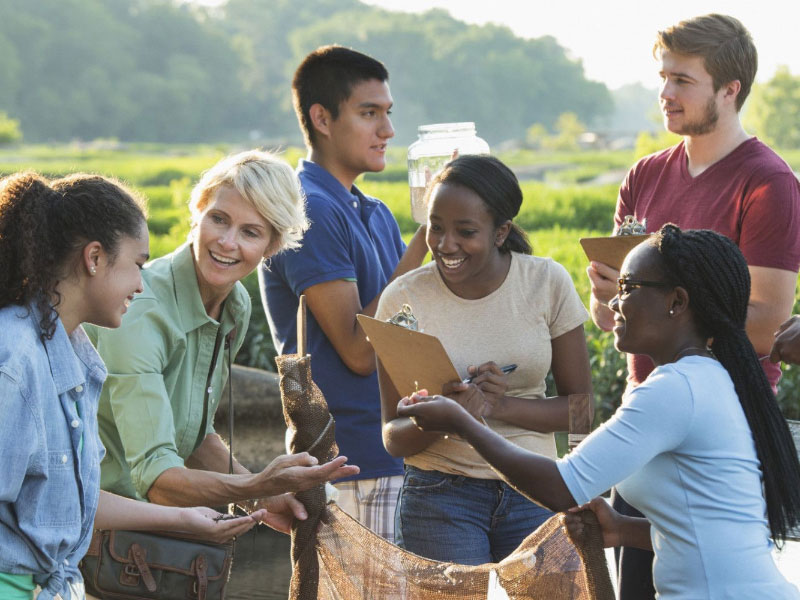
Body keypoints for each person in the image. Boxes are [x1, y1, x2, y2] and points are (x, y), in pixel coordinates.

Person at [400, 225, 800, 598]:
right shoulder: (704, 378)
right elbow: (713, 528)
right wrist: (624, 529)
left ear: (676, 302)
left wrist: (463, 423)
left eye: (627, 287)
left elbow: (561, 486)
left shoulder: (676, 389)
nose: (613, 301)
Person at [586, 14, 800, 597]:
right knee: (636, 583)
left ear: (730, 90)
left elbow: (767, 327)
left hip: (721, 425)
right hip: (643, 416)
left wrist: (659, 314)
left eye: (683, 80)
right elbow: (612, 320)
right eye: (662, 77)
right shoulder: (644, 176)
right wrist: (610, 299)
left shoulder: (768, 182)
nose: (665, 93)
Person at [0, 172, 265, 600]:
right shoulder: (13, 358)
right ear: (94, 259)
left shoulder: (78, 356)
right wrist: (256, 488)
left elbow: (77, 504)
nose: (142, 284)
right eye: (138, 265)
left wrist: (184, 519)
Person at [87, 150, 359, 531]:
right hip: (88, 528)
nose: (228, 243)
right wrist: (258, 484)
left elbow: (193, 437)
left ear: (273, 245)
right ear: (197, 213)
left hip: (147, 533)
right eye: (219, 219)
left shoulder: (236, 305)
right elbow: (158, 479)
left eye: (250, 232)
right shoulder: (140, 312)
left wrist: (264, 497)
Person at [375, 155, 593, 564]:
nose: (445, 245)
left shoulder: (547, 283)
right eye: (435, 227)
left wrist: (498, 406)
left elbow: (581, 410)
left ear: (501, 232)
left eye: (466, 231)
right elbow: (393, 435)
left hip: (535, 489)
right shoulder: (403, 300)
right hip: (440, 497)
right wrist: (451, 413)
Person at [259, 46, 428, 543]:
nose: (387, 131)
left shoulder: (371, 209)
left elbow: (410, 325)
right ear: (322, 118)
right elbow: (358, 350)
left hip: (394, 449)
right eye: (369, 113)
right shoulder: (307, 207)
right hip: (351, 463)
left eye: (388, 113)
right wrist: (426, 237)